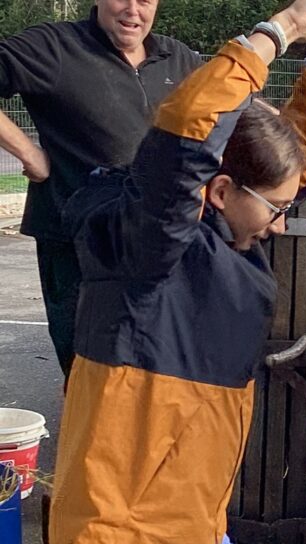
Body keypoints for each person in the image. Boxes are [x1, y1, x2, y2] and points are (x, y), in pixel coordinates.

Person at [46, 1, 306, 544]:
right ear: (215, 191)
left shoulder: (231, 233)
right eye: (274, 209)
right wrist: (282, 29)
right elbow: (187, 128)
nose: (280, 222)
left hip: (201, 541)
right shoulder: (148, 250)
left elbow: (286, 161)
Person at [0, 0, 203, 381]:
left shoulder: (178, 58)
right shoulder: (55, 47)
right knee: (88, 374)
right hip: (78, 251)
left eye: (145, 1)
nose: (133, 10)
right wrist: (26, 151)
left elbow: (239, 109)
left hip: (165, 245)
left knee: (158, 376)